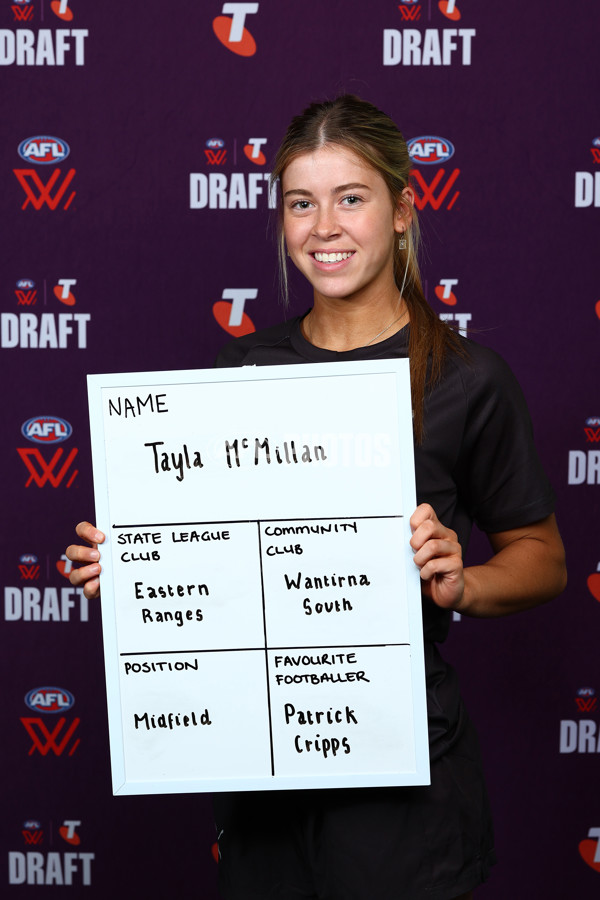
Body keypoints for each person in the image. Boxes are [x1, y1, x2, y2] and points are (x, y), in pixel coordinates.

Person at [66, 95, 567, 900]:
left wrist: (462, 579)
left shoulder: (468, 379)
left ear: (404, 211)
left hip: (406, 797)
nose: (323, 226)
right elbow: (214, 565)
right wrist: (130, 564)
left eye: (351, 198)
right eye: (301, 202)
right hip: (265, 782)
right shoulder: (242, 371)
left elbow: (544, 559)